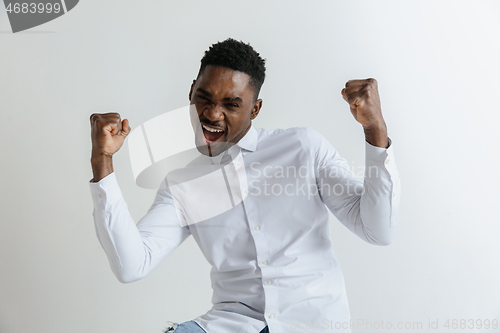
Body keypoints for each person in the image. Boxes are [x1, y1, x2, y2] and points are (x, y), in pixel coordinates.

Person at [89, 38, 400, 333]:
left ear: (255, 109)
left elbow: (378, 230)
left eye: (231, 104)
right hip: (233, 323)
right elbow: (132, 265)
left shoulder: (303, 148)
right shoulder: (182, 185)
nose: (212, 114)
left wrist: (375, 130)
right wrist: (102, 162)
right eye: (204, 98)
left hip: (312, 322)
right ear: (190, 93)